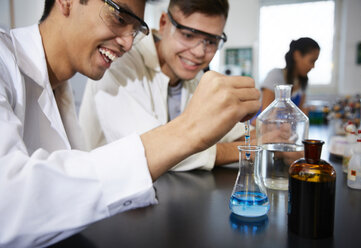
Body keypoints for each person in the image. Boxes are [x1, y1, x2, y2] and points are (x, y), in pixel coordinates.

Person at [0, 0, 260, 247]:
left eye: (135, 29)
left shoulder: (58, 86)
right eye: (118, 15)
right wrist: (189, 131)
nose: (127, 43)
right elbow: (8, 203)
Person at [79, 0, 256, 171]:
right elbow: (152, 151)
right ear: (163, 23)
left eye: (211, 41)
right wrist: (246, 151)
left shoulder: (194, 74)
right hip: (107, 193)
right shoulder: (121, 60)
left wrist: (266, 138)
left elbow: (234, 129)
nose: (199, 52)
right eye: (188, 35)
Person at [259, 37, 320, 116]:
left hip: (285, 128)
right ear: (297, 55)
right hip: (261, 127)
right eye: (311, 61)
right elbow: (266, 115)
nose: (313, 66)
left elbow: (299, 113)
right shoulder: (275, 75)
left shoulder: (303, 82)